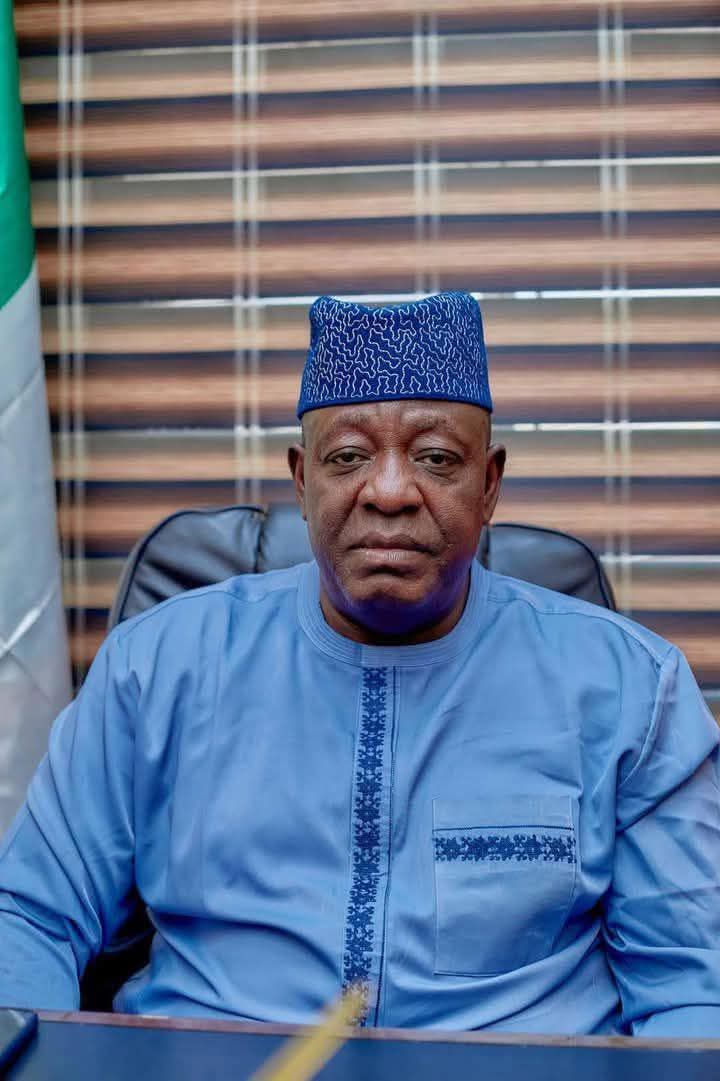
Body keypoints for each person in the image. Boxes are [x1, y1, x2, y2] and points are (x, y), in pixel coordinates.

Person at [0, 292, 719, 1035]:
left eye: (436, 458)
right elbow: (29, 914)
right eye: (347, 457)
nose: (389, 491)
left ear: (489, 485)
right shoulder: (154, 669)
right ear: (302, 481)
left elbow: (692, 989)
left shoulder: (633, 693)